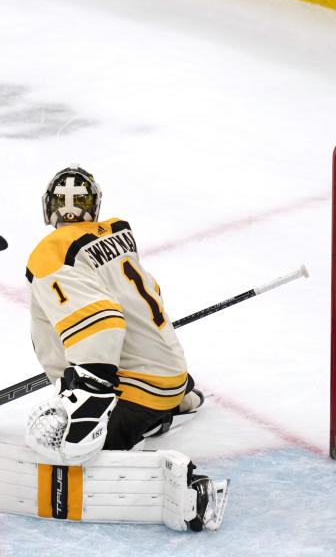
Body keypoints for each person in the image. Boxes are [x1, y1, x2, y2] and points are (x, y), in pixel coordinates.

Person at [24, 165, 203, 464]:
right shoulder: (116, 234)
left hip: (139, 394)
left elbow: (103, 322)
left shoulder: (51, 252)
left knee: (64, 449)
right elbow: (148, 297)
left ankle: (144, 422)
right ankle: (174, 401)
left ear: (47, 207)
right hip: (174, 377)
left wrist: (84, 393)